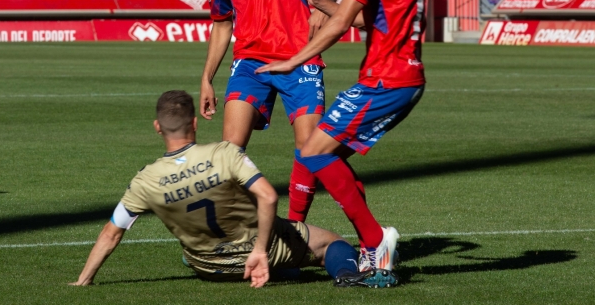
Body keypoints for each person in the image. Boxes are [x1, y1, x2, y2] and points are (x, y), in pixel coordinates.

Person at [257, 0, 426, 272]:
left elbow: (342, 25)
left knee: (313, 150)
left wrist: (291, 60)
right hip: (402, 78)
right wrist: (320, 1)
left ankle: (374, 241)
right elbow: (370, 18)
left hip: (385, 80)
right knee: (314, 151)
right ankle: (301, 234)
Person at [69, 91, 397, 288]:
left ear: (158, 128)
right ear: (195, 123)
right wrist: (258, 251)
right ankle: (347, 275)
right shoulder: (224, 153)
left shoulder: (145, 180)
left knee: (195, 248)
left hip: (208, 267)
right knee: (333, 243)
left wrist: (84, 280)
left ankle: (279, 269)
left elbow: (112, 233)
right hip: (258, 253)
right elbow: (268, 196)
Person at [201, 0, 339, 222]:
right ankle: (232, 228)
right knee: (229, 152)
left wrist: (321, 14)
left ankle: (294, 228)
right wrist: (207, 78)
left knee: (309, 151)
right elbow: (221, 24)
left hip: (299, 59)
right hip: (250, 63)